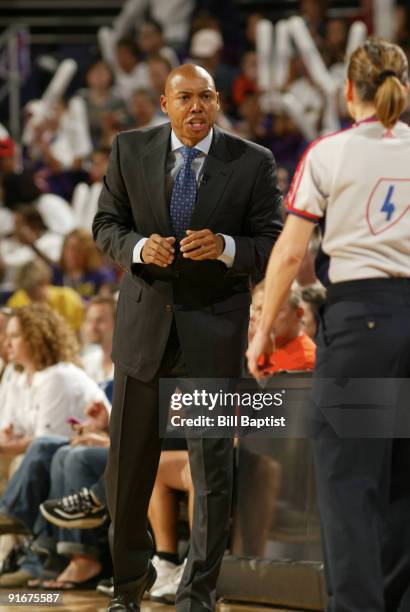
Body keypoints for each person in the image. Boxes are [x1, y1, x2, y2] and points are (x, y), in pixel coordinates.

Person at [92, 63, 283, 610]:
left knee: (212, 473)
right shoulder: (129, 150)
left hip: (213, 332)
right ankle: (128, 589)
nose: (196, 107)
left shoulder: (252, 162)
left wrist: (226, 247)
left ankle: (198, 594)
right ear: (164, 103)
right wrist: (135, 249)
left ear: (218, 102)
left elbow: (270, 241)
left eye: (205, 97)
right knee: (127, 477)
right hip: (144, 332)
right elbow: (105, 224)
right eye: (185, 98)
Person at [247, 38, 410, 612]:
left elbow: (290, 255)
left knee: (349, 482)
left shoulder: (329, 153)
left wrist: (264, 329)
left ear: (348, 90)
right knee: (401, 484)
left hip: (361, 325)